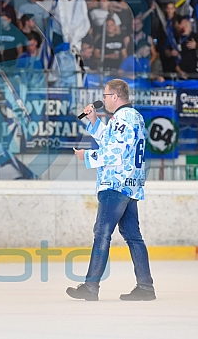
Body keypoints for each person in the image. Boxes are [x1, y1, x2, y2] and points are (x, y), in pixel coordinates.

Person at [67, 79, 154, 301]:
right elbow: (112, 142)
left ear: (115, 97)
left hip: (115, 184)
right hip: (130, 184)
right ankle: (145, 287)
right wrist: (94, 121)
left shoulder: (122, 118)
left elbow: (114, 154)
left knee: (102, 233)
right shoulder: (132, 117)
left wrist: (85, 156)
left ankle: (91, 286)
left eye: (105, 96)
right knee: (133, 236)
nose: (103, 99)